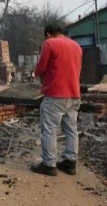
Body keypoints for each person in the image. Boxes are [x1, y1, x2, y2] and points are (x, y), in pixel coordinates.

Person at [31, 24, 82, 176]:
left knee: (49, 130)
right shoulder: (76, 46)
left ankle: (49, 164)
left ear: (48, 34)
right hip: (74, 94)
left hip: (55, 95)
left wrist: (37, 71)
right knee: (71, 130)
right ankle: (70, 162)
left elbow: (40, 68)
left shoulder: (49, 43)